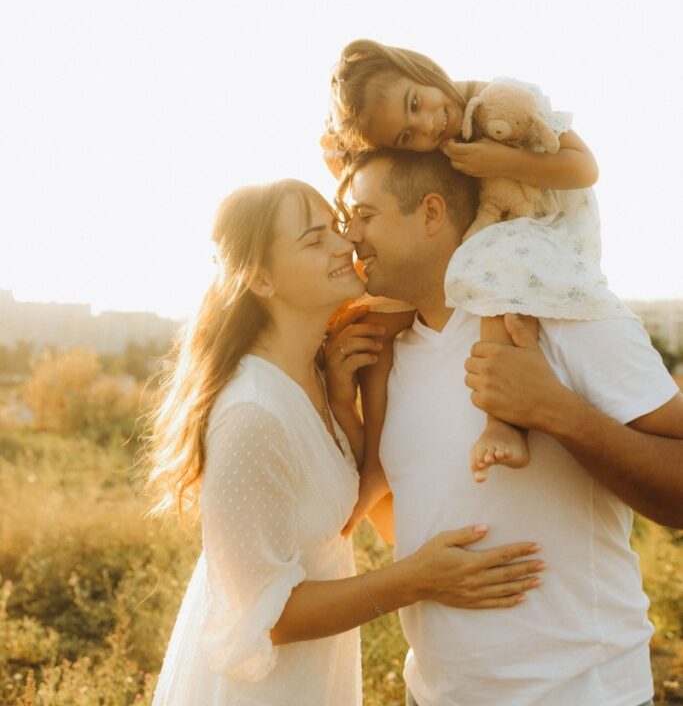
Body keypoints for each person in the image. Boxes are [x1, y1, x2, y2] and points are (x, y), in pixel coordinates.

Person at [147, 178, 545, 706]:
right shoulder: (250, 414)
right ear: (261, 280)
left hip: (313, 678)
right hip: (259, 690)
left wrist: (340, 404)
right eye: (315, 240)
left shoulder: (313, 376)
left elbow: (340, 511)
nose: (344, 244)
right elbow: (267, 618)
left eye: (336, 228)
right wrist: (417, 579)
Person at [327, 146, 683, 706]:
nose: (352, 239)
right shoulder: (395, 354)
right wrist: (347, 417)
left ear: (431, 212)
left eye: (365, 216)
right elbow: (412, 526)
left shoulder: (560, 313)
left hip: (580, 693)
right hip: (438, 694)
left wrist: (555, 411)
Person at [323, 38, 634, 536]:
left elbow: (583, 168)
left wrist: (503, 163)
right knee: (374, 321)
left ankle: (501, 421)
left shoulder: (499, 99)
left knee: (488, 279)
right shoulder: (424, 144)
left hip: (538, 222)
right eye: (406, 133)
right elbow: (398, 187)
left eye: (416, 103)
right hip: (485, 227)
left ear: (420, 67)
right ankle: (377, 461)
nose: (427, 124)